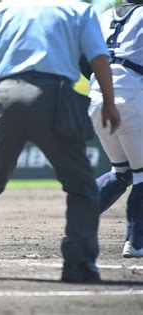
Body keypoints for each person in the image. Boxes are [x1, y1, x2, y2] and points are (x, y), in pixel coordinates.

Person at [0, 0, 121, 283]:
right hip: (55, 97)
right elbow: (99, 58)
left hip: (7, 96)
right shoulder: (78, 9)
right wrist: (109, 102)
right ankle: (78, 264)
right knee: (81, 186)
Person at [88, 0, 143, 258]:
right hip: (132, 97)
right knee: (142, 175)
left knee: (121, 172)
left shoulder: (105, 15)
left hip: (99, 96)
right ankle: (136, 242)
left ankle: (77, 222)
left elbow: (84, 57)